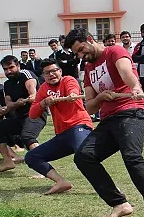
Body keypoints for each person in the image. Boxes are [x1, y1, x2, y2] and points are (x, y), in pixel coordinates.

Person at [65, 29, 144, 217]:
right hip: (109, 119)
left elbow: (126, 72)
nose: (81, 55)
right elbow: (90, 106)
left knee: (132, 157)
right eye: (77, 53)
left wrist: (135, 87)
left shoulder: (114, 51)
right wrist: (101, 96)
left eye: (81, 49)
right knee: (84, 156)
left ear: (89, 39)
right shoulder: (89, 68)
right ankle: (119, 203)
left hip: (132, 112)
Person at [22, 61, 93, 195]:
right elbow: (32, 114)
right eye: (47, 73)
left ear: (60, 71)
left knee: (84, 156)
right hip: (62, 134)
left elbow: (73, 90)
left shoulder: (68, 80)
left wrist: (72, 95)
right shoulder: (43, 88)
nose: (51, 74)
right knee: (31, 157)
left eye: (54, 70)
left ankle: (110, 189)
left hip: (79, 126)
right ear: (43, 76)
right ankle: (61, 182)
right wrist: (43, 103)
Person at [0, 56, 46, 173]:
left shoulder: (26, 75)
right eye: (5, 69)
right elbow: (9, 104)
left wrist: (23, 101)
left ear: (18, 66)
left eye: (11, 67)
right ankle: (8, 161)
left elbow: (33, 96)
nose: (8, 71)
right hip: (20, 117)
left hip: (35, 114)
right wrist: (16, 104)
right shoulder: (7, 84)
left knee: (27, 136)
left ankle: (43, 168)